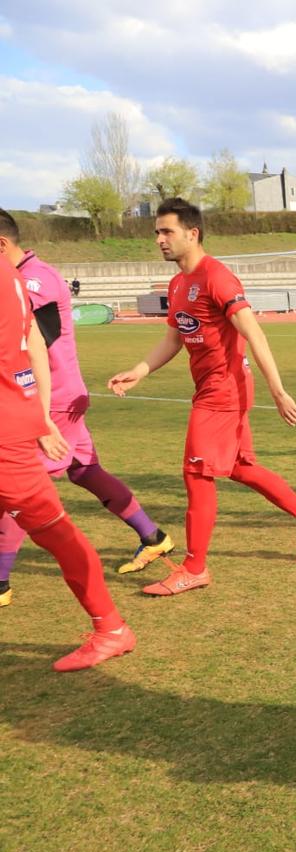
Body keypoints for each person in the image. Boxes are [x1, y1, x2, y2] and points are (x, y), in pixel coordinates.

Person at [107, 198, 296, 596]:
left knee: (197, 473)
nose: (159, 239)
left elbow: (254, 334)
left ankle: (194, 568)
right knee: (241, 469)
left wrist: (278, 391)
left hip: (223, 391)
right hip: (212, 389)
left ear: (192, 234)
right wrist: (139, 371)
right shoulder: (177, 284)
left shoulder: (217, 277)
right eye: (157, 232)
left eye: (167, 232)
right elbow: (174, 338)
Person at [0, 209, 172, 609]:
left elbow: (31, 343)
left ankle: (1, 581)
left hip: (49, 397)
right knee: (84, 470)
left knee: (17, 491)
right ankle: (154, 536)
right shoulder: (29, 274)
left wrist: (37, 411)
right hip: (62, 393)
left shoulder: (31, 280)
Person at [0, 254, 136, 670]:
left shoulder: (20, 275)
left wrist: (39, 415)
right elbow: (35, 342)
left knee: (56, 530)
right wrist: (39, 415)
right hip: (17, 420)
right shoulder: (10, 273)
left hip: (6, 431)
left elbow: (36, 340)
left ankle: (111, 628)